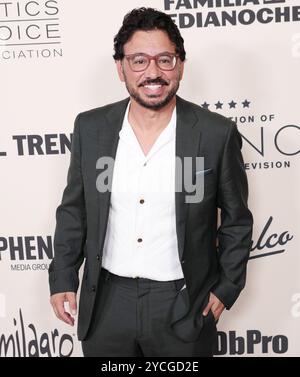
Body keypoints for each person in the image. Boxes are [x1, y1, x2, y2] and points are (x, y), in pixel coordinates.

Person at [49, 7, 253, 357]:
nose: (153, 73)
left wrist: (226, 288)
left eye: (165, 59)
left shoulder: (215, 133)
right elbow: (75, 211)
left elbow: (236, 220)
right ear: (121, 68)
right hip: (107, 304)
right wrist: (63, 277)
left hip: (183, 303)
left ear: (181, 65)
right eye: (139, 61)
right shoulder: (91, 128)